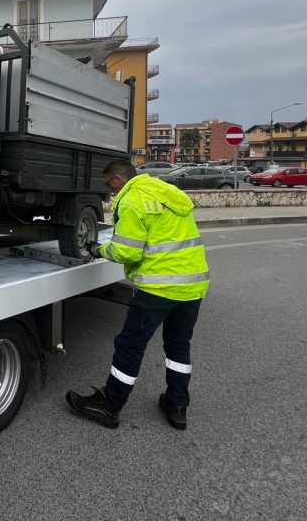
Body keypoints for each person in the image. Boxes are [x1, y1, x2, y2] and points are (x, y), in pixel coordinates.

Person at [66, 158, 209, 430]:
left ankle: (109, 406)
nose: (110, 191)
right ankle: (177, 405)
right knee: (179, 346)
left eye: (109, 185)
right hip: (193, 285)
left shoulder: (132, 200)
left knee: (130, 345)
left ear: (119, 179)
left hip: (159, 287)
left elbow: (127, 251)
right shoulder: (165, 191)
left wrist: (98, 250)